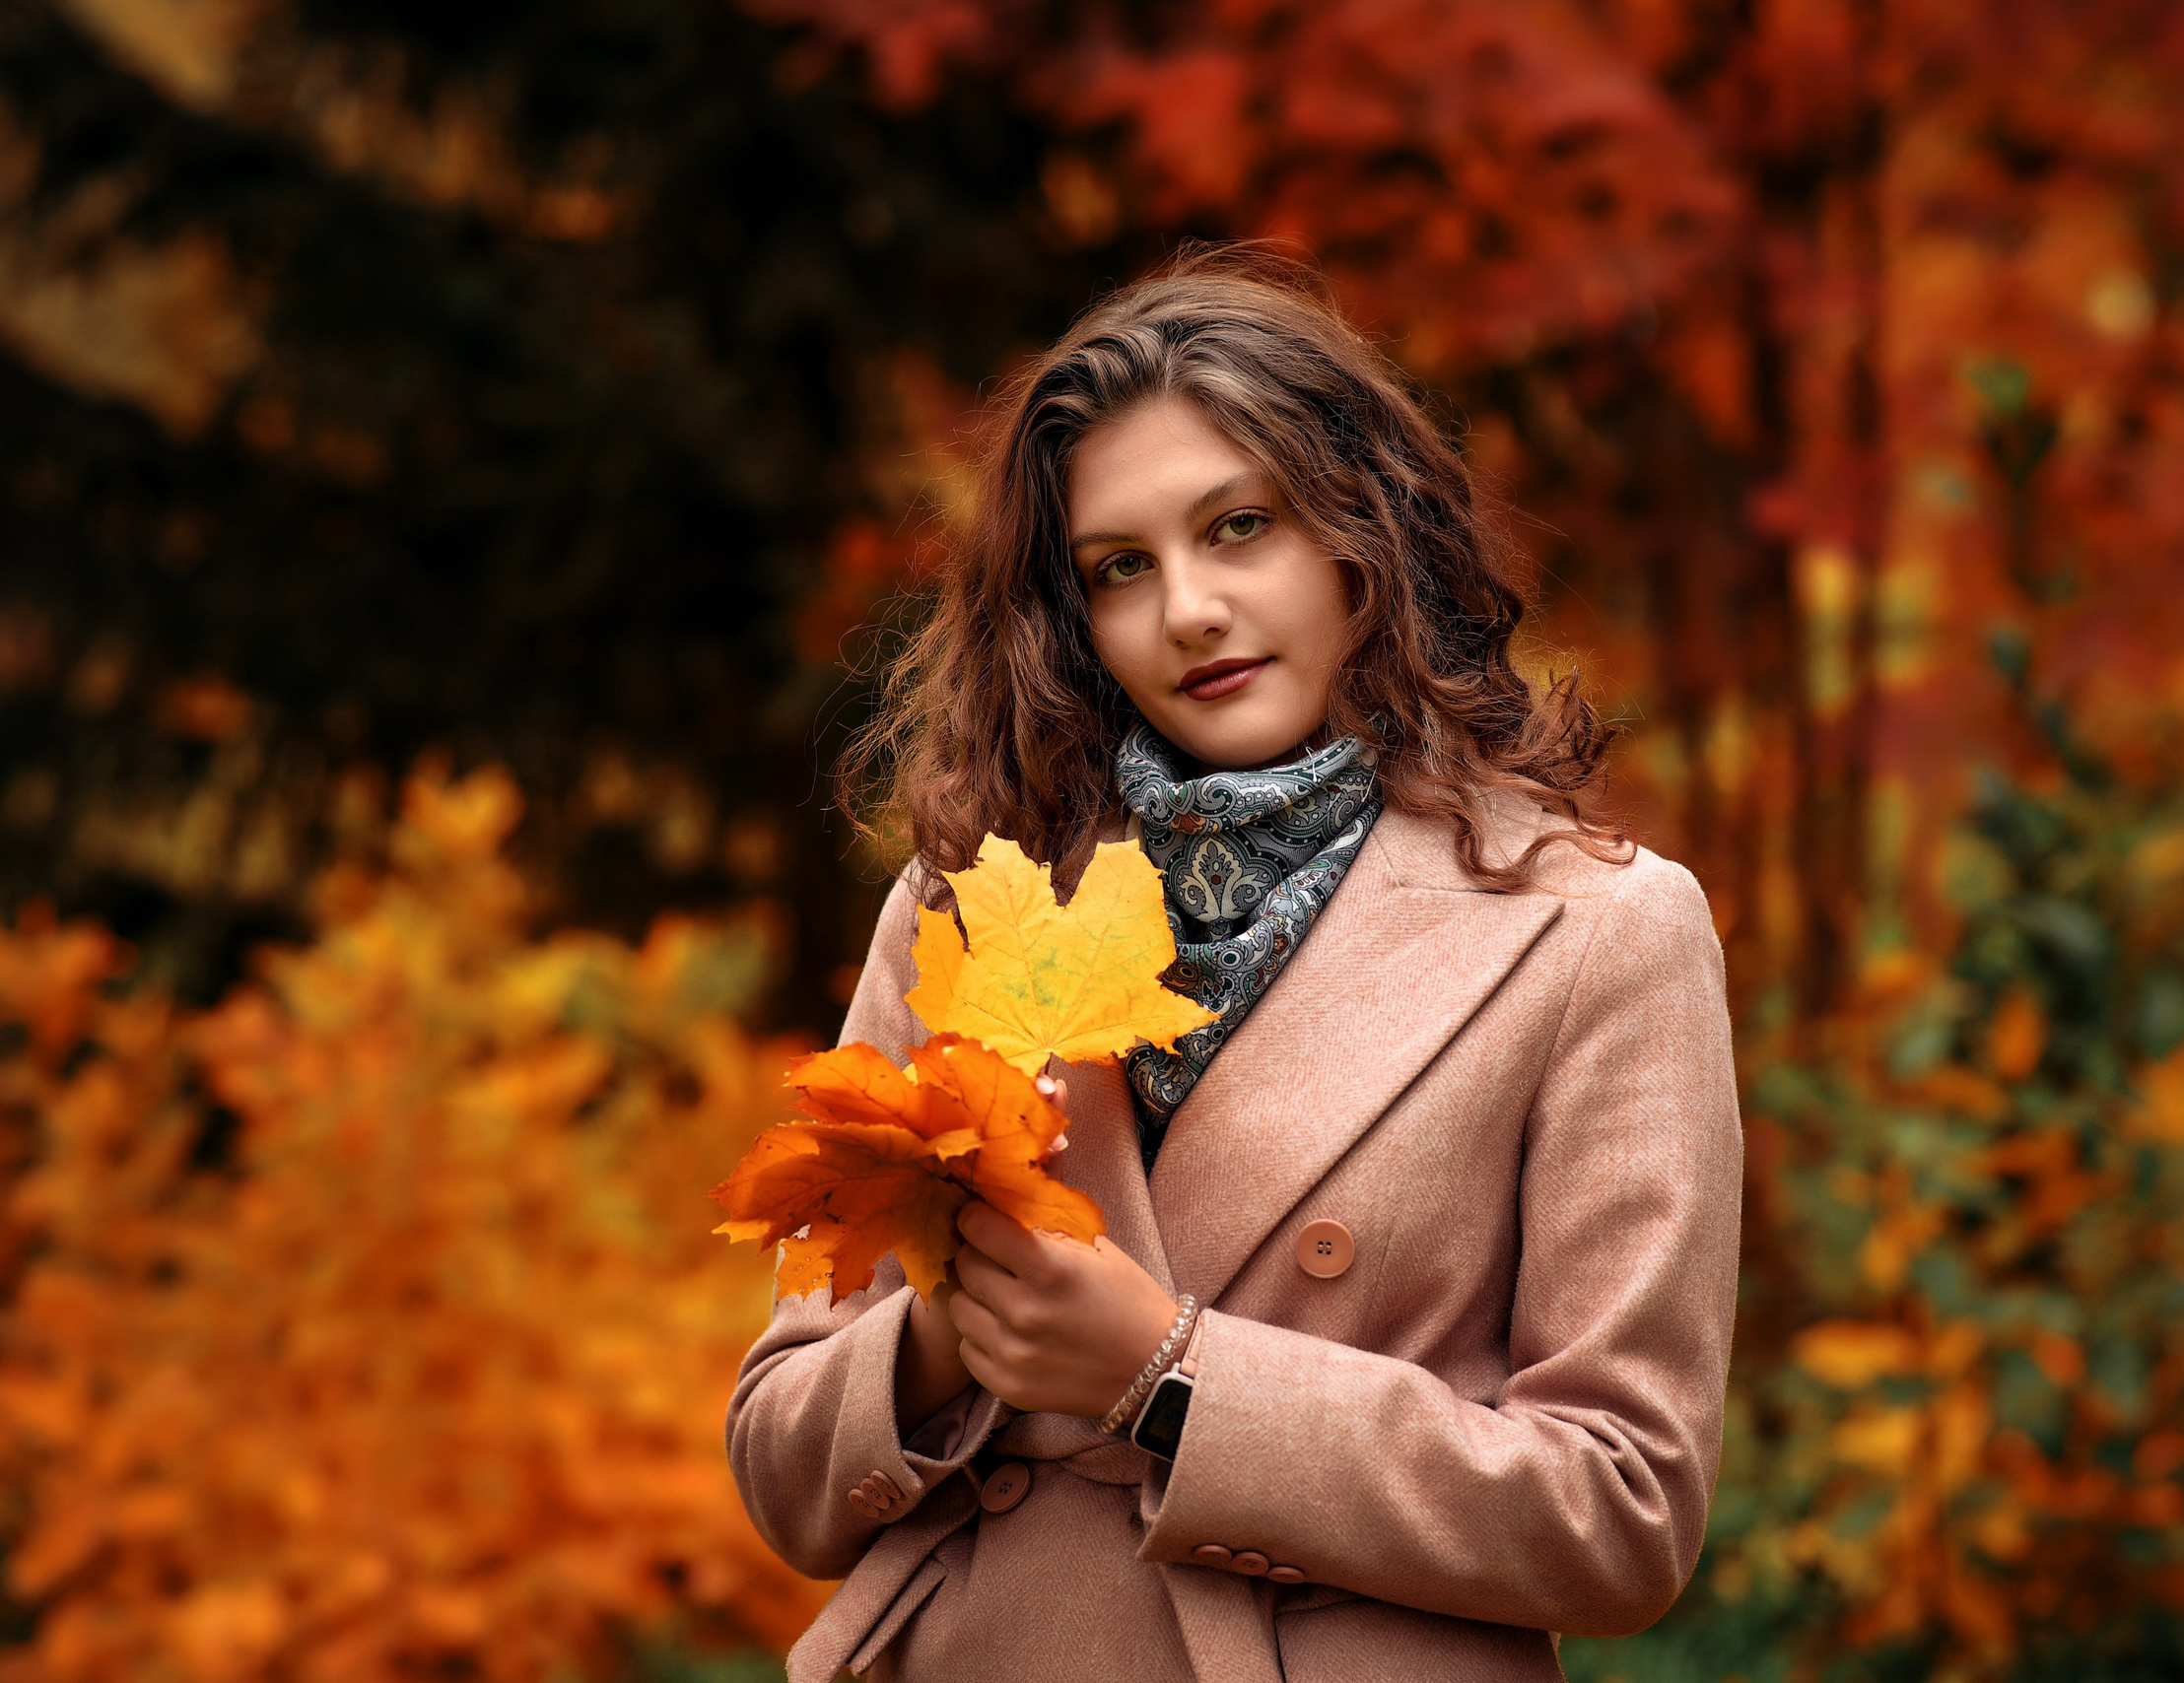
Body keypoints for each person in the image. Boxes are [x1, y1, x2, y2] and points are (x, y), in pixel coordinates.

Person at [725, 246, 1742, 1683]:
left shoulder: (1597, 934)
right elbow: (780, 1466)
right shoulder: (973, 898)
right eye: (1120, 568)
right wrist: (948, 1341)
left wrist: (1168, 1375)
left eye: (1239, 527)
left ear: (1356, 537)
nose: (1188, 608)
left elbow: (1622, 1511)